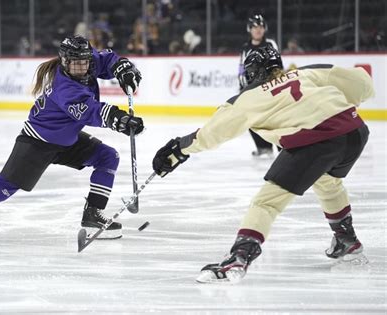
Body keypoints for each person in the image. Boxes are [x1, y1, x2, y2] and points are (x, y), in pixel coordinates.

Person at [152, 46, 373, 284]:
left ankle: (239, 256)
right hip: (354, 132)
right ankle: (346, 239)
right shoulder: (305, 73)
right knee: (327, 181)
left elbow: (210, 135)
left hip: (316, 142)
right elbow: (363, 82)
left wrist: (177, 150)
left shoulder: (247, 98)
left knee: (266, 203)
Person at [0, 35, 144, 244]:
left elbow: (107, 59)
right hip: (37, 142)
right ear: (64, 61)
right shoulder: (64, 88)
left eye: (84, 63)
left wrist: (122, 68)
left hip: (66, 139)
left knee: (108, 157)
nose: (80, 68)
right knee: (1, 189)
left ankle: (93, 215)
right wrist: (120, 119)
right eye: (75, 64)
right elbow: (92, 112)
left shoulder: (85, 60)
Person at [238, 14, 279, 157]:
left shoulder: (270, 44)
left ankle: (282, 148)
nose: (258, 30)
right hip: (253, 91)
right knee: (251, 119)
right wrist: (244, 90)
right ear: (250, 29)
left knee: (277, 119)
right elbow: (242, 71)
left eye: (261, 27)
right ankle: (263, 147)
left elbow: (277, 65)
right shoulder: (245, 48)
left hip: (271, 89)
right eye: (255, 27)